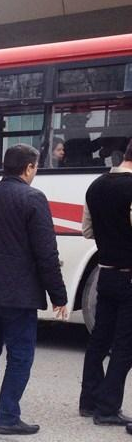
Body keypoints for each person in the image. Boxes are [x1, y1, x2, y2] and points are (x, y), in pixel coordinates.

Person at [0, 143, 68, 436]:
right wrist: (58, 295)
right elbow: (46, 253)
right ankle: (8, 415)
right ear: (29, 168)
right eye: (35, 167)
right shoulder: (33, 198)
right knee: (20, 355)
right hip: (18, 296)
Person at [79, 138, 132, 433]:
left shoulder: (96, 185)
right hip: (129, 274)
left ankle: (88, 399)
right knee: (125, 345)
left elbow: (86, 230)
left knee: (100, 338)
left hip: (106, 273)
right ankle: (108, 408)